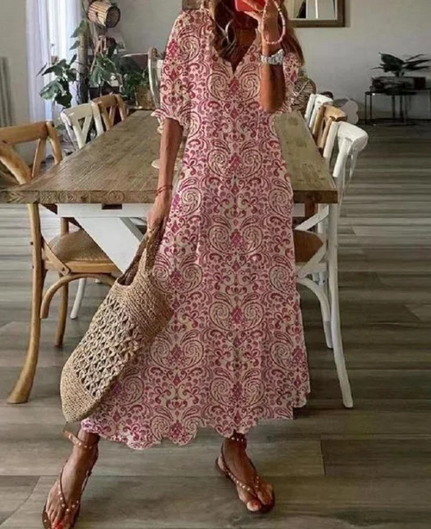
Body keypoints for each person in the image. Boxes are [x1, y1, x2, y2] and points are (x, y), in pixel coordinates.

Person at [43, 1, 309, 527]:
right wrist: (164, 190)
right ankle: (85, 446)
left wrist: (270, 43)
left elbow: (270, 104)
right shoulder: (190, 27)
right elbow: (173, 115)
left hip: (259, 199)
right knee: (148, 319)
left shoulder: (278, 30)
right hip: (200, 190)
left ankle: (234, 447)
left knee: (245, 327)